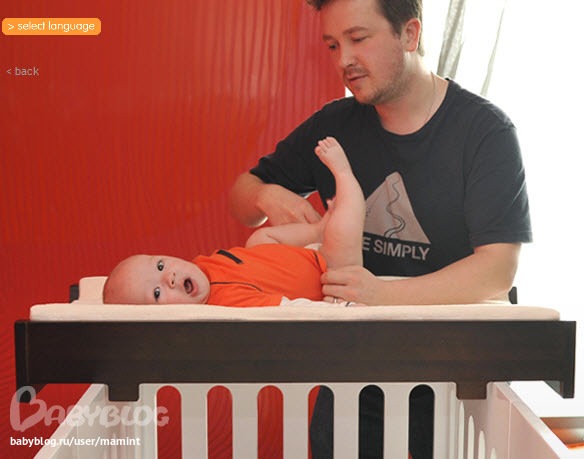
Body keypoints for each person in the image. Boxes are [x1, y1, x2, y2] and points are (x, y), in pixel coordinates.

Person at [227, 0, 532, 457]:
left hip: (460, 369)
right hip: (356, 364)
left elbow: (496, 271)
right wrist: (266, 196)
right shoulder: (335, 124)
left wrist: (380, 294)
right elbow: (242, 196)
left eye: (358, 38)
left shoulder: (485, 132)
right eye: (333, 45)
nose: (343, 60)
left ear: (410, 34)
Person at [103, 137, 365, 306]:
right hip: (331, 276)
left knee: (259, 238)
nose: (169, 277)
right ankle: (344, 174)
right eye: (157, 294)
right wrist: (326, 310)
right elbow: (286, 312)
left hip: (301, 255)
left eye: (160, 265)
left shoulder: (200, 267)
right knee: (344, 227)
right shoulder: (227, 305)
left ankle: (318, 230)